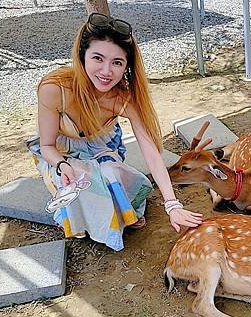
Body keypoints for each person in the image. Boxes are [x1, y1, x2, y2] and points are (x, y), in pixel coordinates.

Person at [27, 13, 203, 251]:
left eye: (117, 63)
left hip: (102, 147)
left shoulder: (123, 98)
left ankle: (122, 213)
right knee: (82, 179)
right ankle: (88, 222)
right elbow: (47, 146)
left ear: (126, 67)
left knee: (110, 173)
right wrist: (62, 165)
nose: (106, 71)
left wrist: (172, 204)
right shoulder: (55, 89)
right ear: (82, 56)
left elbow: (150, 149)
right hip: (61, 153)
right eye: (98, 58)